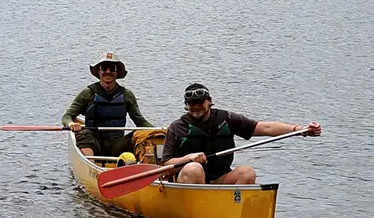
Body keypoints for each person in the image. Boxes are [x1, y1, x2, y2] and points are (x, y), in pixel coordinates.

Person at [161, 83, 321, 184]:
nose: (196, 107)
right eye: (191, 104)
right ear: (186, 105)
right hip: (188, 180)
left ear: (209, 101)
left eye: (200, 102)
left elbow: (266, 128)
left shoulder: (227, 119)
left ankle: (233, 213)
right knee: (194, 168)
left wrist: (300, 130)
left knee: (247, 172)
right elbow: (166, 164)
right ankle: (197, 213)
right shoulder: (177, 127)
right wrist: (187, 159)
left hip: (219, 178)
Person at [62, 53, 153, 158]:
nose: (108, 72)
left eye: (112, 68)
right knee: (83, 134)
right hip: (93, 143)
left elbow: (140, 121)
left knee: (141, 136)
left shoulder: (126, 95)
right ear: (99, 72)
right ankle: (91, 164)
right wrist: (70, 123)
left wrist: (158, 131)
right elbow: (67, 116)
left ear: (117, 72)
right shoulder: (87, 93)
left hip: (116, 144)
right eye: (104, 68)